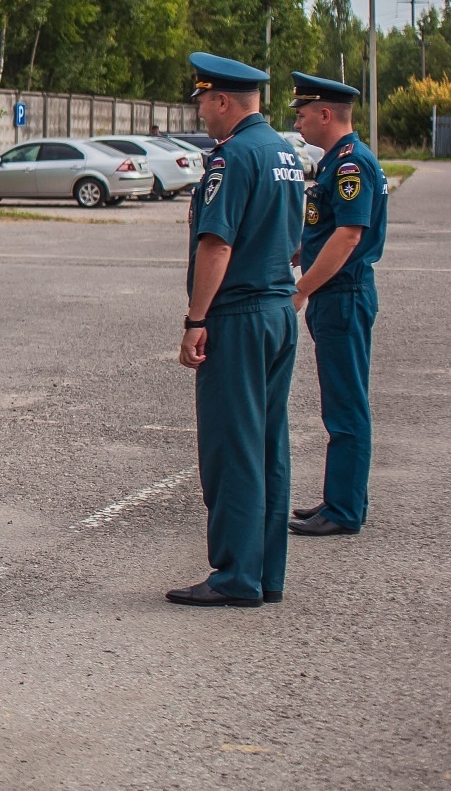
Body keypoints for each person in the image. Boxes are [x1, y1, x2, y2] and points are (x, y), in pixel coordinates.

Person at [169, 52, 305, 607]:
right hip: (277, 309)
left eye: (203, 100)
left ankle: (234, 576)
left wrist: (196, 319)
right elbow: (294, 238)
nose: (200, 111)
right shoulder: (284, 152)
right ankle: (265, 573)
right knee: (269, 447)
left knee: (233, 448)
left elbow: (217, 243)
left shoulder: (233, 158)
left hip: (241, 316)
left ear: (224, 100)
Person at [287, 71, 388, 538]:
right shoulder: (336, 161)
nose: (300, 123)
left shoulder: (350, 164)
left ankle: (345, 510)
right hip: (339, 294)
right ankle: (341, 498)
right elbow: (325, 229)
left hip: (342, 294)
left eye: (303, 113)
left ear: (326, 114)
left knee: (346, 407)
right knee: (342, 404)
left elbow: (348, 235)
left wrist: (303, 286)